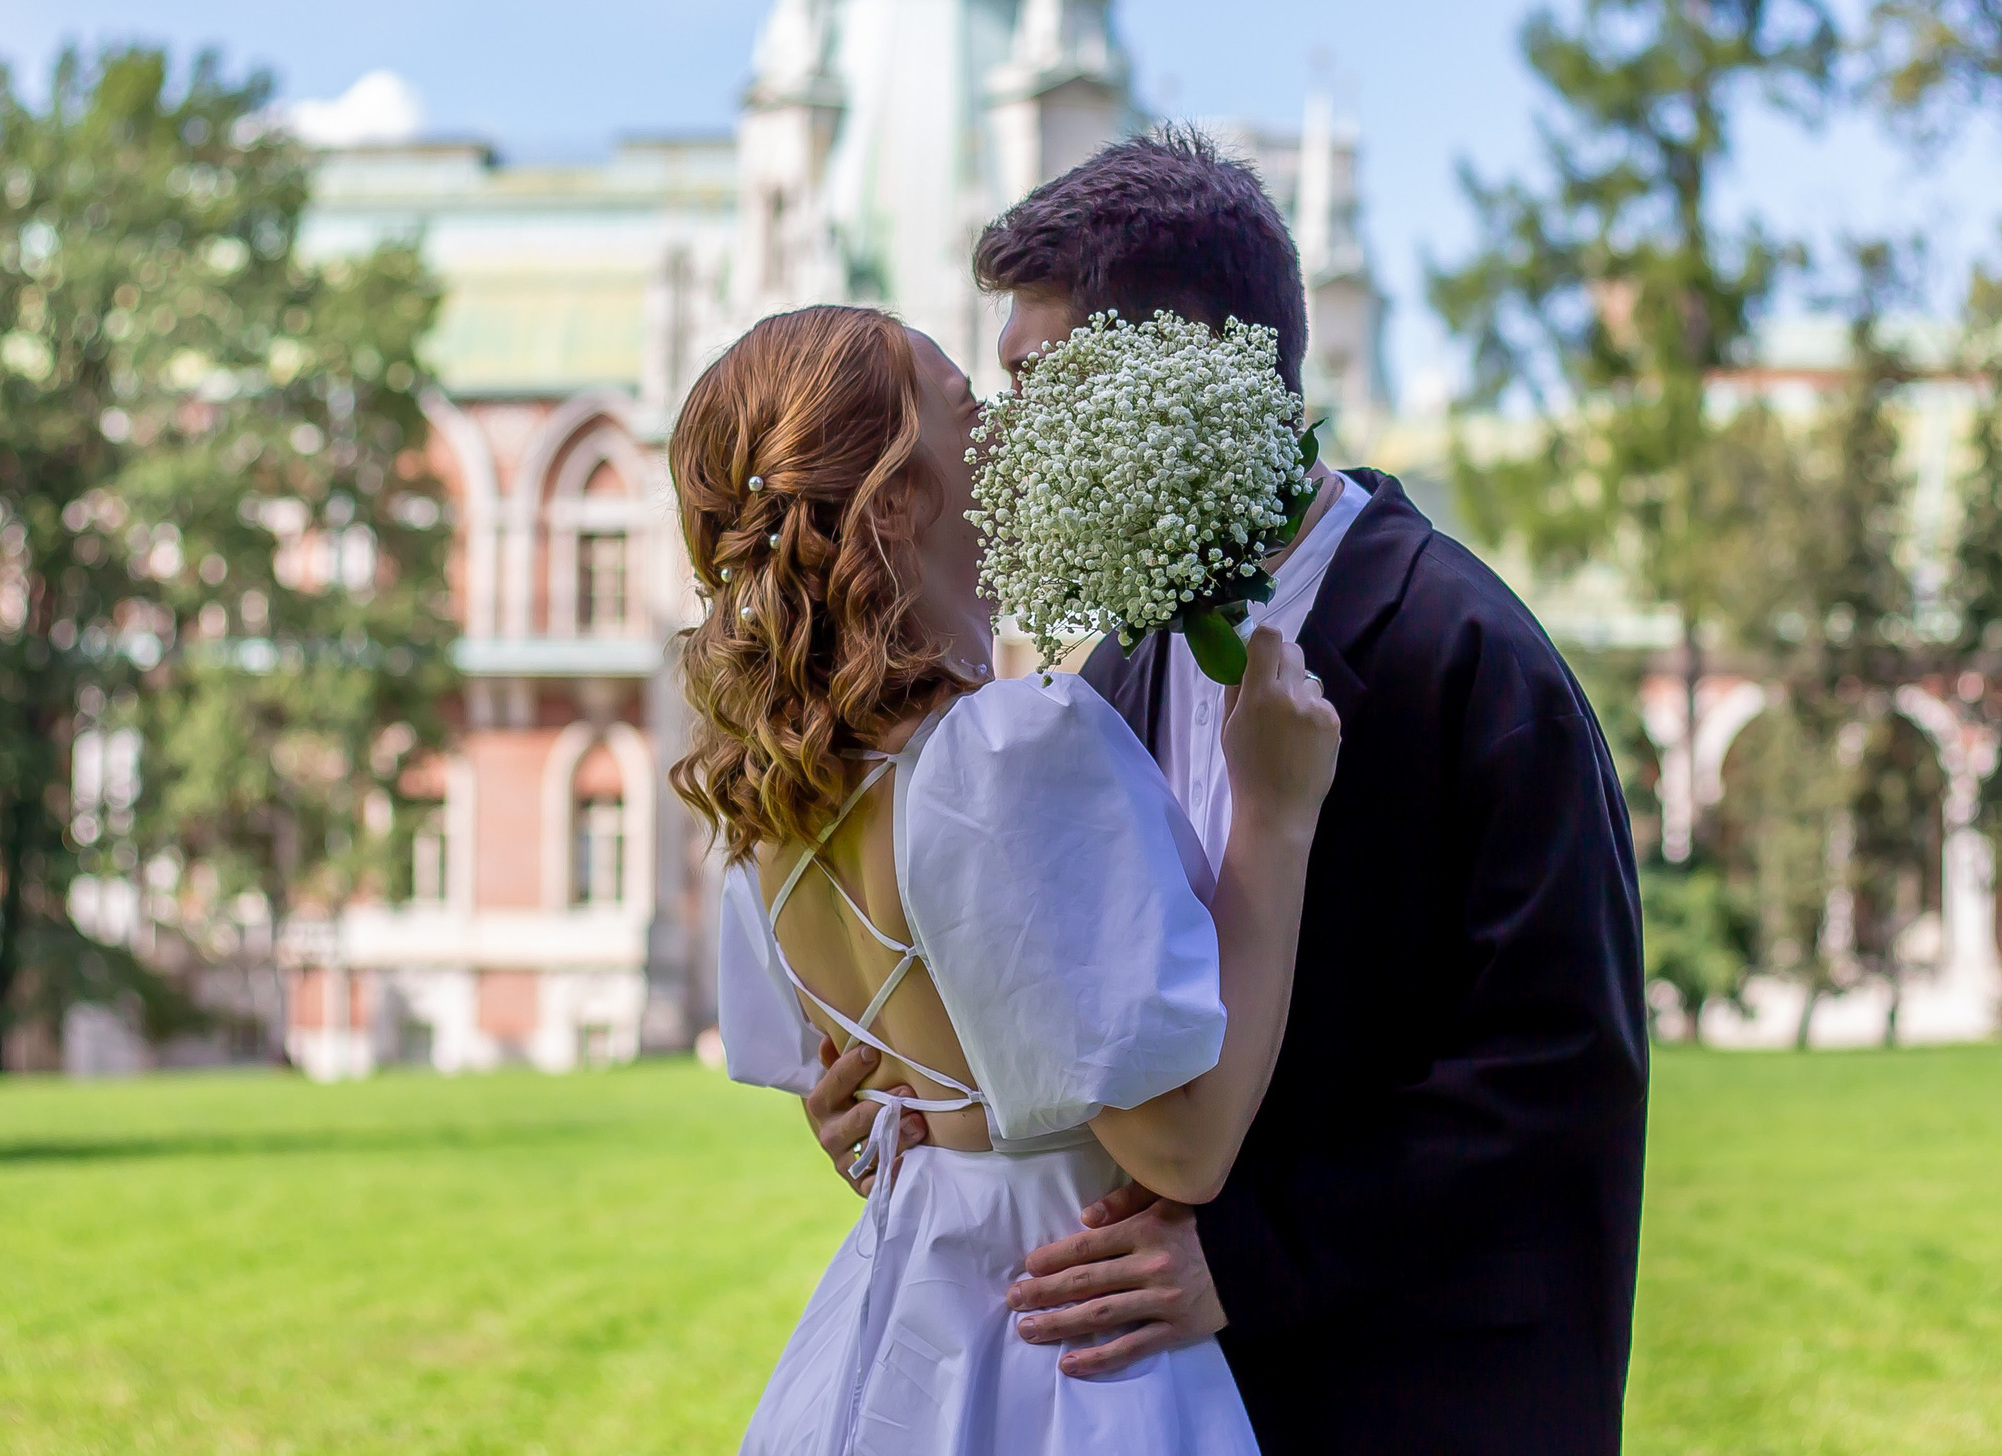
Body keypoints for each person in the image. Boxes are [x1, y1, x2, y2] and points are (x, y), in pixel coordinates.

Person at [799, 129, 1652, 1454]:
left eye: (1037, 384)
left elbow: (1556, 1085)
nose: (1002, 453)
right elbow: (1085, 1023)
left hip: (1409, 1398)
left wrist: (1250, 1259)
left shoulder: (1468, 657)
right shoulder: (1102, 675)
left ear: (1184, 371)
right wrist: (916, 1102)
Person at [675, 303, 1342, 1455]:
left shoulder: (771, 818)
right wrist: (1273, 814)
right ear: (895, 497)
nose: (1009, 437)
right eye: (967, 412)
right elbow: (1181, 1144)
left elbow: (889, 1103)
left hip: (902, 1339)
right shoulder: (1003, 756)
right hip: (1069, 1360)